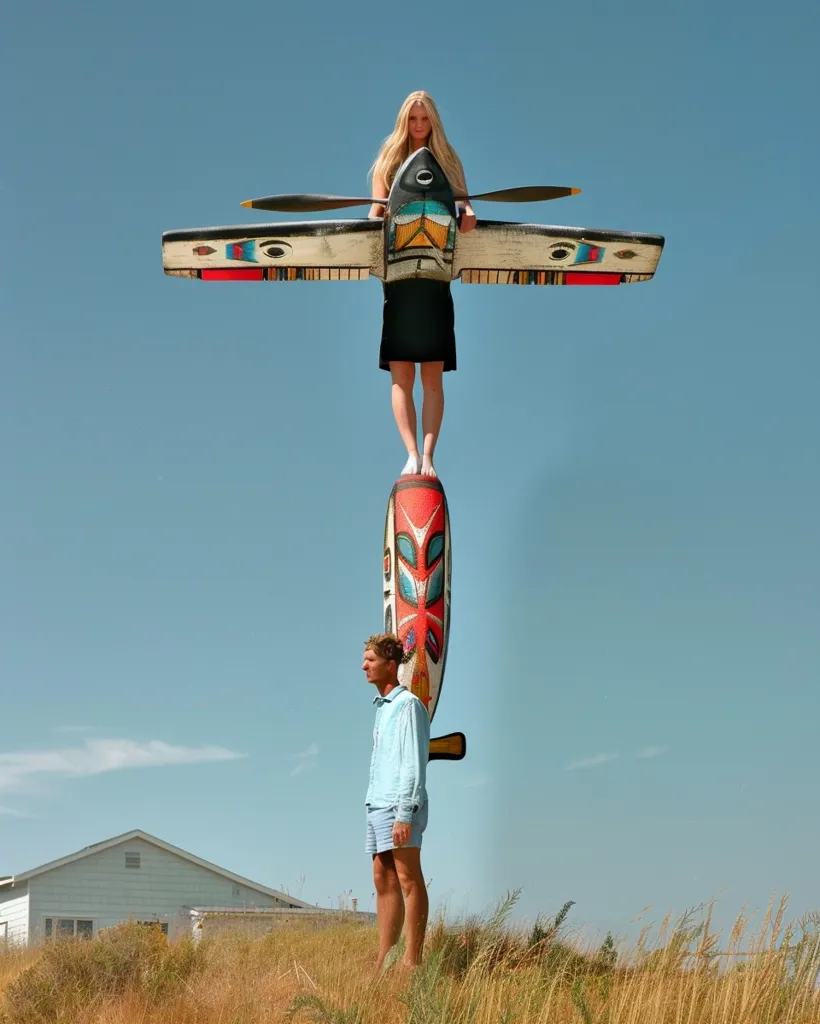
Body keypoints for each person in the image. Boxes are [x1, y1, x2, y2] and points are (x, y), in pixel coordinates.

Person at [368, 91, 476, 479]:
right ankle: (411, 454)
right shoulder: (388, 161)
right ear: (404, 121)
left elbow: (465, 207)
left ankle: (429, 457)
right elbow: (375, 211)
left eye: (424, 118)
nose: (418, 125)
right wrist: (377, 218)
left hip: (435, 281)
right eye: (413, 118)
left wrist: (468, 213)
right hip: (398, 282)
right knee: (401, 374)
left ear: (433, 121)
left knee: (432, 375)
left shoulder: (448, 161)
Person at [362, 632, 431, 970]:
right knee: (382, 878)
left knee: (407, 878)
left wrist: (405, 813)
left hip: (398, 805)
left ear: (391, 665)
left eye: (370, 660)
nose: (364, 667)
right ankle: (384, 960)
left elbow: (413, 763)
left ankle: (411, 960)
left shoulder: (408, 705)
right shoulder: (382, 708)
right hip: (377, 803)